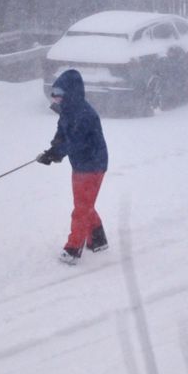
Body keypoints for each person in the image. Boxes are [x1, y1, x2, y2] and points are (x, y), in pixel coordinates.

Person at [37, 69, 109, 265]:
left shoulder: (84, 115)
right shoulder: (68, 112)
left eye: (60, 94)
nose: (56, 98)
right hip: (79, 164)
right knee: (84, 204)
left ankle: (73, 248)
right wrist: (51, 151)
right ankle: (98, 239)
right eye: (54, 94)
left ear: (71, 93)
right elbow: (62, 135)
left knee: (81, 208)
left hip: (93, 165)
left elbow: (75, 141)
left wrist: (56, 154)